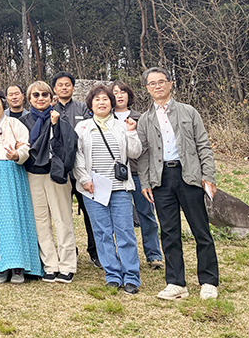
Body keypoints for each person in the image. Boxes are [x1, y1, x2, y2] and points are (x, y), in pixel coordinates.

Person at [137, 67, 219, 301]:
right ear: (147, 88)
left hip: (189, 175)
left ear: (170, 83)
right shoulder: (145, 119)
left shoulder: (188, 112)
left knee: (201, 230)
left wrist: (208, 175)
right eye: (152, 83)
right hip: (161, 178)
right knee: (169, 232)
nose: (157, 86)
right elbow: (143, 154)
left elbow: (203, 145)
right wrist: (145, 181)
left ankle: (209, 281)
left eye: (161, 81)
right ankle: (176, 283)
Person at [73, 86, 142, 294]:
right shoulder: (82, 127)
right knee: (102, 232)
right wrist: (84, 179)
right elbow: (77, 157)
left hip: (120, 187)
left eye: (105, 99)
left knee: (125, 232)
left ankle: (131, 275)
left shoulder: (123, 125)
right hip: (93, 188)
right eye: (97, 100)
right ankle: (112, 274)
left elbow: (135, 153)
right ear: (90, 105)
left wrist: (132, 133)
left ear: (111, 103)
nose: (101, 102)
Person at [0, 89, 43, 283]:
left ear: (3, 105)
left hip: (11, 172)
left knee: (13, 217)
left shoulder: (14, 124)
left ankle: (18, 266)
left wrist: (17, 155)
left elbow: (25, 146)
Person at [20, 81, 78, 283]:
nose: (40, 98)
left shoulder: (60, 118)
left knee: (62, 220)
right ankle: (50, 264)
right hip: (33, 174)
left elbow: (69, 146)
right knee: (41, 222)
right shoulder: (23, 121)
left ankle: (67, 265)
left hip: (56, 175)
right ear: (29, 99)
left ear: (51, 97)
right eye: (35, 95)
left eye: (44, 94)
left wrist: (56, 126)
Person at [111, 80, 164, 270]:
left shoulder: (140, 118)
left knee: (146, 214)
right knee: (120, 218)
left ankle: (154, 254)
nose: (119, 95)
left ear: (129, 95)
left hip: (138, 174)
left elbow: (149, 148)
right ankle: (122, 256)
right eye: (115, 92)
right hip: (115, 176)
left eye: (123, 92)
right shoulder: (106, 118)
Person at [51, 71, 99, 269]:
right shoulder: (49, 109)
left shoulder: (84, 108)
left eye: (67, 84)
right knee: (63, 214)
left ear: (73, 87)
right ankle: (70, 251)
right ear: (54, 88)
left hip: (82, 168)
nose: (64, 88)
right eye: (60, 85)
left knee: (90, 212)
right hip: (59, 169)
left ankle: (95, 252)